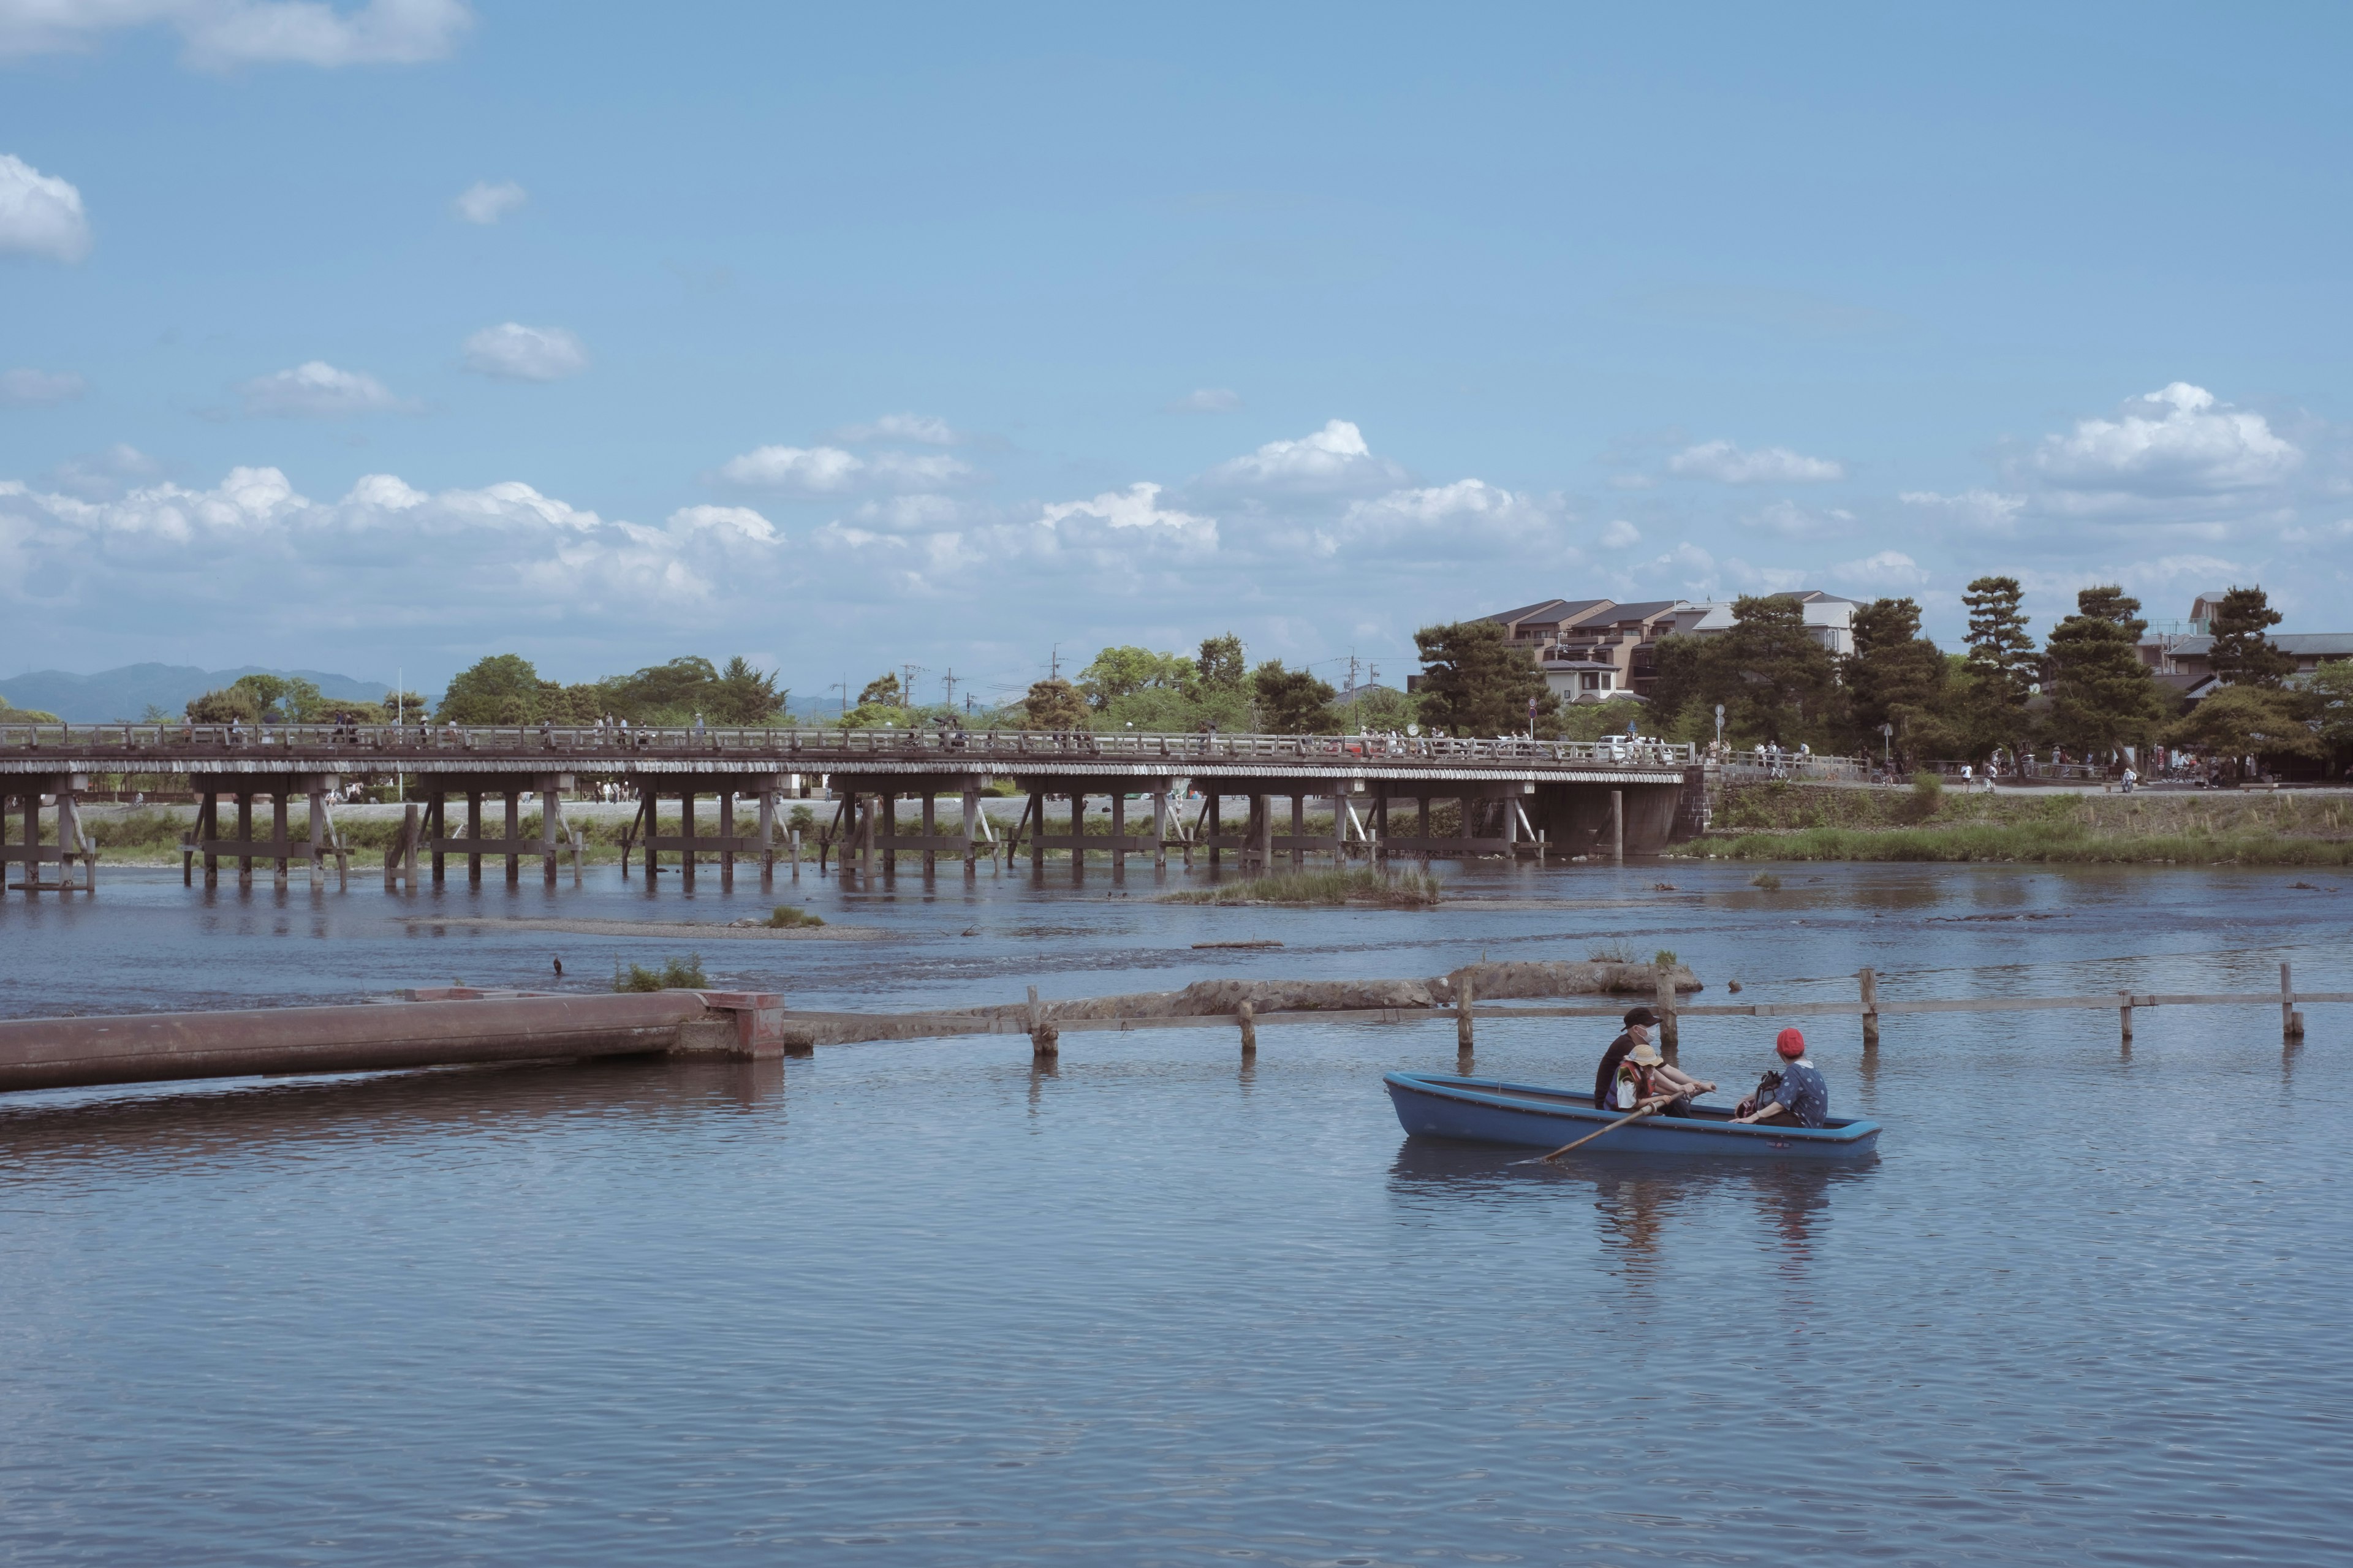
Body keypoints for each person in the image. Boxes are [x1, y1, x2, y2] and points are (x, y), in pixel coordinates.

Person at [1592, 1007, 1715, 1115]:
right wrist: (1678, 1088)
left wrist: (1698, 1084)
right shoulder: (1625, 1045)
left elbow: (1667, 1069)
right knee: (1672, 1102)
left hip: (1634, 1096)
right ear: (1636, 1029)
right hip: (1613, 1105)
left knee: (1674, 1101)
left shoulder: (1644, 1048)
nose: (1654, 1029)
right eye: (1650, 1026)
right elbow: (1654, 1072)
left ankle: (1688, 1127)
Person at [1734, 1028, 1829, 1127]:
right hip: (1814, 1124)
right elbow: (1780, 1089)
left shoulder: (1794, 1071)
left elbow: (1780, 1104)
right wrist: (1745, 1099)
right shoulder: (1808, 1067)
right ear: (1803, 1049)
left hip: (1804, 1126)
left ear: (1779, 1052)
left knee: (1760, 1120)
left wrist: (1753, 1117)